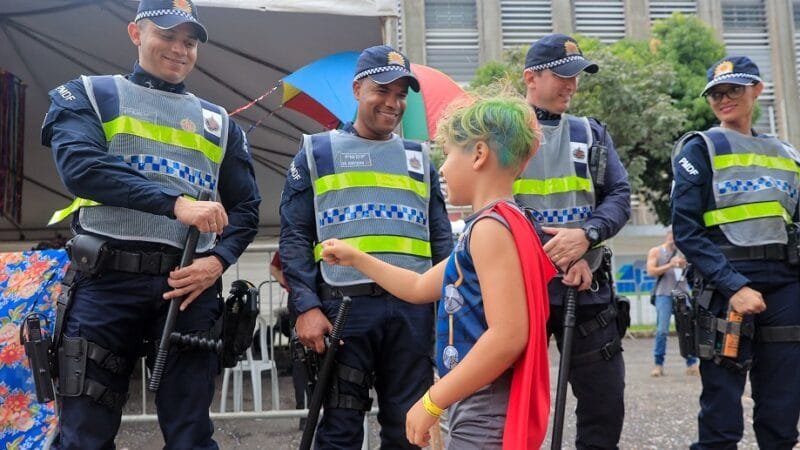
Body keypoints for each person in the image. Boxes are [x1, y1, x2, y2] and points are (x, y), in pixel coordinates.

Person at [41, 0, 261, 448]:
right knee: (84, 433)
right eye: (168, 36)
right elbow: (81, 167)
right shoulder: (88, 94)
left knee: (191, 435)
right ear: (135, 32)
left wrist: (217, 261)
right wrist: (175, 203)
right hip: (105, 280)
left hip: (188, 286)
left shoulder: (221, 122)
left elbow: (248, 209)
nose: (180, 49)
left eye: (190, 41)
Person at [320, 95, 556, 449]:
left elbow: (508, 336)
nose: (442, 169)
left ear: (478, 155)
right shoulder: (497, 224)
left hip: (485, 405)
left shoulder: (491, 229)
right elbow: (418, 286)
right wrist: (357, 258)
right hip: (477, 399)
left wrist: (433, 399)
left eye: (448, 154)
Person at [278, 45, 453, 448]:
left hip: (412, 313)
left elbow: (441, 239)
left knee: (409, 431)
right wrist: (305, 307)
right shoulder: (316, 152)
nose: (393, 103)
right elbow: (295, 236)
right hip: (344, 309)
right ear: (357, 89)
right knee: (339, 430)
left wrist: (447, 307)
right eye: (382, 90)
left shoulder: (420, 157)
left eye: (401, 94)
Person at [671, 56, 800, 449]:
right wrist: (734, 285)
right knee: (722, 414)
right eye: (716, 93)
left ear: (757, 90)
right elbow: (686, 231)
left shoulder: (787, 154)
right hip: (723, 286)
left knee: (782, 410)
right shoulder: (699, 148)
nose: (724, 98)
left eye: (734, 89)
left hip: (785, 286)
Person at [516, 33, 631, 449]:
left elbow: (619, 196)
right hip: (520, 288)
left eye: (577, 76)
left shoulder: (591, 132)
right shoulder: (503, 130)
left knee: (605, 403)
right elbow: (490, 204)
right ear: (531, 77)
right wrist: (558, 257)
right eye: (562, 75)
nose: (572, 85)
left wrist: (587, 240)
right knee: (513, 408)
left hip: (587, 287)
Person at [645, 228, 699, 377]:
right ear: (667, 236)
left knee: (688, 328)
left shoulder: (685, 252)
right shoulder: (656, 251)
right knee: (662, 330)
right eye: (671, 235)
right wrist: (670, 265)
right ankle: (658, 364)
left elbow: (694, 272)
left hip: (682, 293)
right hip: (664, 294)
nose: (674, 239)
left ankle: (692, 363)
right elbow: (651, 271)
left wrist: (685, 265)